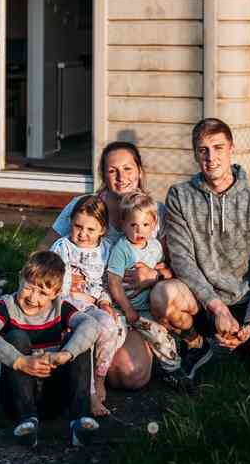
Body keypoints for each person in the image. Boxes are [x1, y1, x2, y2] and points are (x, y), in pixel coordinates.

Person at [153, 118, 250, 379]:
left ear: (231, 149)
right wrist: (217, 308)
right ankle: (196, 344)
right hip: (199, 302)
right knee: (163, 295)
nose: (211, 157)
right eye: (203, 150)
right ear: (195, 154)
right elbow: (182, 261)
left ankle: (242, 343)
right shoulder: (180, 196)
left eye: (218, 148)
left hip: (244, 302)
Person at [38, 142, 175, 390]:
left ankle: (153, 348)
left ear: (140, 171)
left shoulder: (155, 213)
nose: (121, 178)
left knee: (127, 375)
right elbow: (41, 252)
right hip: (88, 300)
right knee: (97, 359)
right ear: (103, 174)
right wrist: (62, 276)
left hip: (134, 305)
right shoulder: (84, 206)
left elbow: (175, 267)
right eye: (113, 171)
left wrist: (154, 275)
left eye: (127, 169)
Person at [0, 251, 101, 447]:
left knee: (78, 340)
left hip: (54, 394)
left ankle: (79, 421)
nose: (33, 297)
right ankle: (27, 422)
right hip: (16, 396)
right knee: (17, 337)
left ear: (56, 293)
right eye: (29, 288)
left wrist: (67, 354)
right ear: (20, 279)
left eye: (42, 293)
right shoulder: (6, 306)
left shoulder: (60, 307)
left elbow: (91, 325)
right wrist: (20, 361)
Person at [107, 191, 202, 384]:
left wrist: (159, 272)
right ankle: (96, 374)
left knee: (160, 337)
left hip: (146, 311)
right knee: (109, 340)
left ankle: (173, 371)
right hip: (124, 311)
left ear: (154, 224)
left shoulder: (155, 247)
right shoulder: (121, 249)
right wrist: (127, 310)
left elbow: (163, 270)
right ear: (123, 224)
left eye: (145, 225)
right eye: (132, 225)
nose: (138, 231)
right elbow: (113, 283)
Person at [48, 195, 122, 417]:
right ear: (70, 222)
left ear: (102, 229)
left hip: (91, 306)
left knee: (109, 326)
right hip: (66, 306)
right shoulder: (63, 247)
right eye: (78, 227)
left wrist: (105, 301)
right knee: (85, 335)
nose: (83, 234)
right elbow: (53, 280)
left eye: (90, 229)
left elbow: (105, 283)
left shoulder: (106, 250)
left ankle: (100, 378)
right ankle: (88, 394)